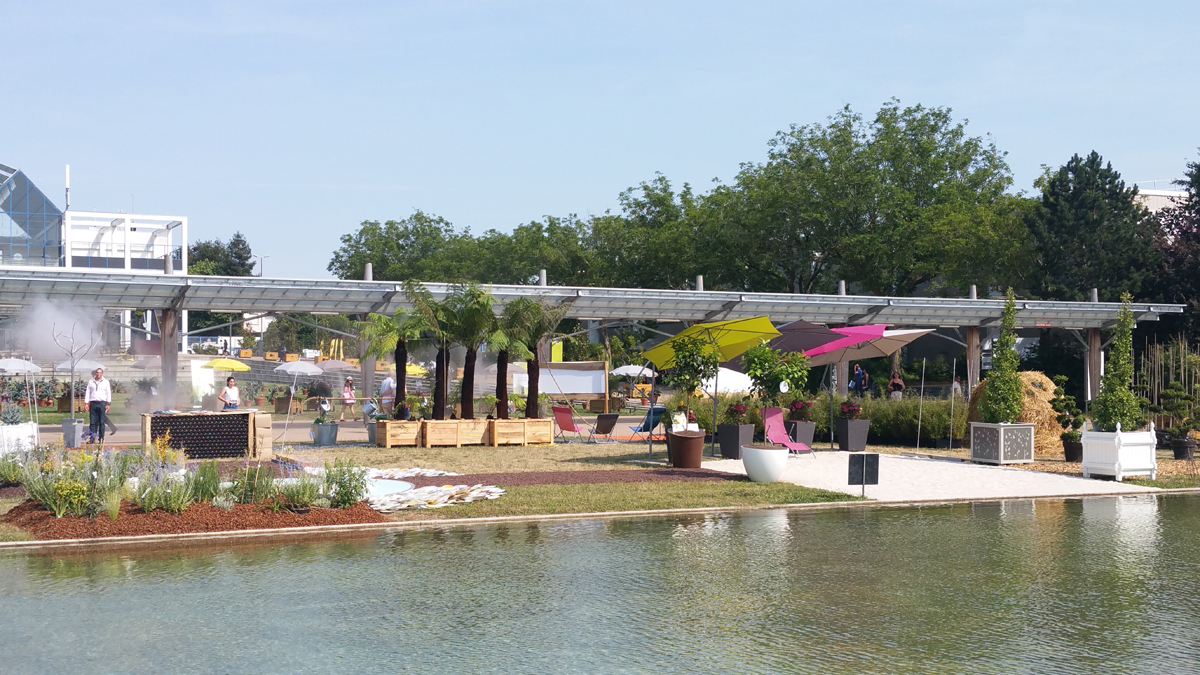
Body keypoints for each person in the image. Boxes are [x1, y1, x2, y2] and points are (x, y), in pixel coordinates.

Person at [84, 367, 112, 443]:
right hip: (93, 403)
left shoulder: (105, 382)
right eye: (97, 372)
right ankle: (92, 437)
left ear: (102, 374)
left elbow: (108, 393)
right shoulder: (91, 382)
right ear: (95, 373)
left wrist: (108, 404)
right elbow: (88, 392)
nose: (98, 374)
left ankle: (101, 438)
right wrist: (86, 403)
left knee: (101, 422)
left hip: (102, 403)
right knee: (92, 422)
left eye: (100, 373)